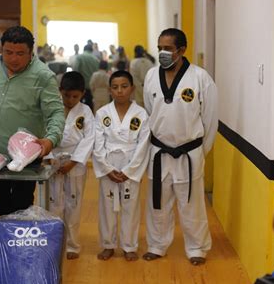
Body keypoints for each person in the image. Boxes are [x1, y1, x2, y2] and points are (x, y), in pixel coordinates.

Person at [143, 28, 218, 265]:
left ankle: (197, 248)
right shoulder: (151, 75)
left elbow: (210, 119)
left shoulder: (200, 78)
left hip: (189, 151)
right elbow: (149, 110)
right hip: (159, 151)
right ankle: (156, 245)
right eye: (160, 48)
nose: (162, 53)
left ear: (182, 50)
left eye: (168, 49)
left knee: (191, 203)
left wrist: (199, 151)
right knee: (157, 202)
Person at [0, 26, 65, 216]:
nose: (13, 58)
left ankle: (19, 241)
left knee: (21, 203)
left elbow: (56, 113)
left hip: (26, 155)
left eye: (20, 53)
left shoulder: (43, 75)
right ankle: (6, 239)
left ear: (31, 53)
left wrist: (50, 140)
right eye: (8, 52)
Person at [93, 70, 150, 261]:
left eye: (124, 86)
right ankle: (108, 244)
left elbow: (143, 145)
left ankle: (129, 245)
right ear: (109, 90)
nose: (120, 91)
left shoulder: (141, 114)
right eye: (115, 87)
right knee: (106, 206)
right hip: (108, 162)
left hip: (131, 162)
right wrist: (107, 169)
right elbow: (97, 144)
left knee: (130, 206)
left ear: (132, 89)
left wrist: (130, 170)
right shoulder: (102, 113)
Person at [45, 71, 95, 260]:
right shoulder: (51, 108)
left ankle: (72, 245)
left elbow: (89, 138)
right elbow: (43, 132)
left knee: (73, 205)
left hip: (75, 163)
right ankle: (53, 243)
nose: (71, 100)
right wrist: (49, 158)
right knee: (53, 204)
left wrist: (73, 162)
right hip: (53, 160)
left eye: (75, 96)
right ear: (60, 91)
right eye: (67, 95)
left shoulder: (86, 111)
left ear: (82, 94)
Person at [73, 44, 99, 111]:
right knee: (90, 103)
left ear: (84, 49)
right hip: (91, 86)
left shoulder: (79, 57)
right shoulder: (96, 59)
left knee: (79, 104)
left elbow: (75, 70)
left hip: (81, 85)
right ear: (92, 50)